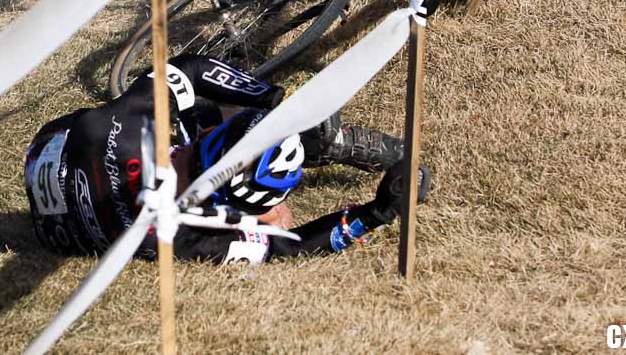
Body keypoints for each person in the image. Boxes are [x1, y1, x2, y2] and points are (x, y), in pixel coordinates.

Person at [24, 54, 431, 264]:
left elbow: (190, 68)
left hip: (58, 152)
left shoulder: (126, 123)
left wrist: (272, 101)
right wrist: (379, 212)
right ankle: (312, 148)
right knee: (276, 218)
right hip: (61, 197)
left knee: (270, 210)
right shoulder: (189, 240)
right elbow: (289, 246)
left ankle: (290, 148)